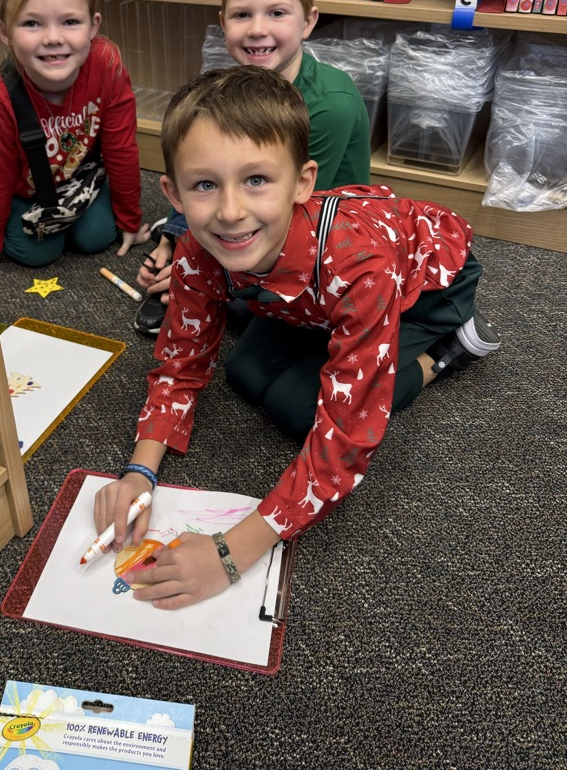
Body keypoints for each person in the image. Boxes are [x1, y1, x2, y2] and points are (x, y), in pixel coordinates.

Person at [93, 66, 501, 610]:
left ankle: (446, 354)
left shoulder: (361, 265)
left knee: (294, 406)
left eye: (257, 179)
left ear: (303, 182)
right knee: (245, 373)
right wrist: (140, 471)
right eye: (205, 185)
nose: (231, 212)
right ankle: (338, 334)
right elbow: (180, 361)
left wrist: (232, 551)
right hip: (310, 302)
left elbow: (346, 439)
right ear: (172, 192)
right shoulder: (198, 245)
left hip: (426, 290)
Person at [133, 0, 370, 334]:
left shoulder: (331, 106)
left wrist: (197, 268)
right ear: (224, 22)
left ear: (308, 21)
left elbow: (291, 211)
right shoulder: (234, 89)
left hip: (321, 233)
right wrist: (174, 241)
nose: (258, 30)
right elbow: (205, 165)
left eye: (277, 12)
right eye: (242, 15)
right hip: (255, 207)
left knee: (238, 311)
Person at [0, 0, 149, 276]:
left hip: (76, 178)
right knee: (38, 252)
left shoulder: (106, 63)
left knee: (98, 237)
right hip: (23, 188)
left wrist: (131, 220)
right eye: (31, 24)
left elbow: (120, 149)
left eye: (70, 22)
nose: (54, 38)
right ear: (4, 31)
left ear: (93, 25)